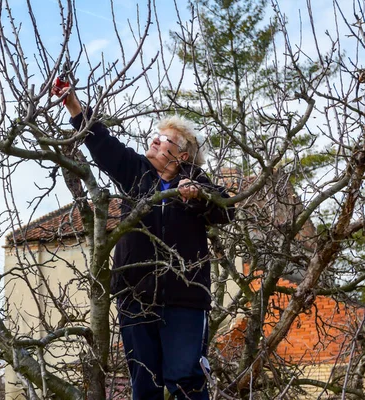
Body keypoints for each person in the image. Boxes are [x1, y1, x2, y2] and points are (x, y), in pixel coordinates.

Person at [51, 85, 235, 400]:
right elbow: (104, 144)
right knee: (145, 385)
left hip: (184, 300)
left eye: (165, 139)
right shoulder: (136, 173)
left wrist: (196, 195)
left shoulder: (196, 180)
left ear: (183, 154)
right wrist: (74, 107)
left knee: (186, 380)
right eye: (156, 135)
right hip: (135, 298)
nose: (155, 140)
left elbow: (226, 210)